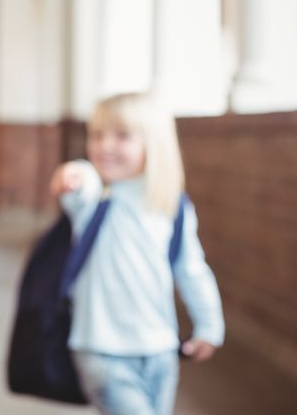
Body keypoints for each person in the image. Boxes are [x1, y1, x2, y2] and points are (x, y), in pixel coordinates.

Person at [49, 92, 225, 415]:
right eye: (97, 135)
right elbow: (81, 178)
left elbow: (192, 270)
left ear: (154, 144)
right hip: (101, 351)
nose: (105, 146)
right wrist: (74, 172)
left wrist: (209, 325)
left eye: (122, 135)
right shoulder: (93, 200)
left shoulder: (172, 208)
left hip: (160, 350)